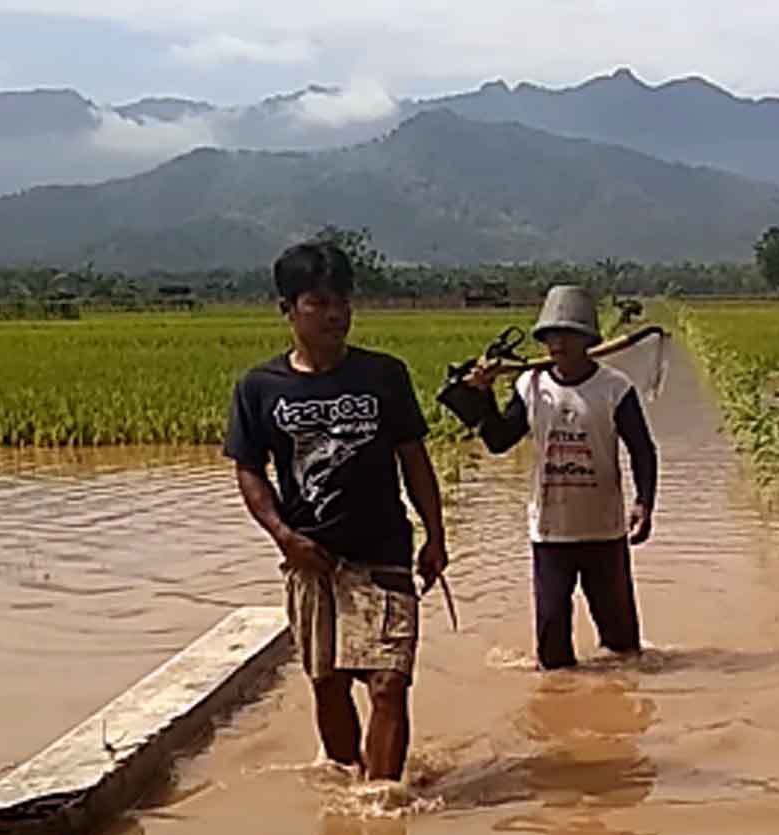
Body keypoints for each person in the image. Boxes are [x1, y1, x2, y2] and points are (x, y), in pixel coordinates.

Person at [223, 240, 448, 781]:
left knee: (389, 682)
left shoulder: (384, 376)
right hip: (312, 557)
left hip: (384, 552)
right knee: (328, 683)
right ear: (287, 309)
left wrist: (436, 535)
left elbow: (414, 459)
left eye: (342, 301)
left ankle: (382, 804)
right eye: (318, 302)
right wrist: (283, 537)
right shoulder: (260, 388)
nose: (335, 314)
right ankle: (349, 780)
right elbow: (249, 470)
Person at [469, 284, 658, 670]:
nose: (558, 342)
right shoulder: (531, 386)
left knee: (623, 649)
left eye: (568, 334)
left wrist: (644, 503)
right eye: (551, 335)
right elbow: (500, 441)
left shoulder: (614, 389)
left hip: (604, 531)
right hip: (551, 532)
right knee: (553, 653)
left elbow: (642, 449)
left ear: (587, 339)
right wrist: (482, 397)